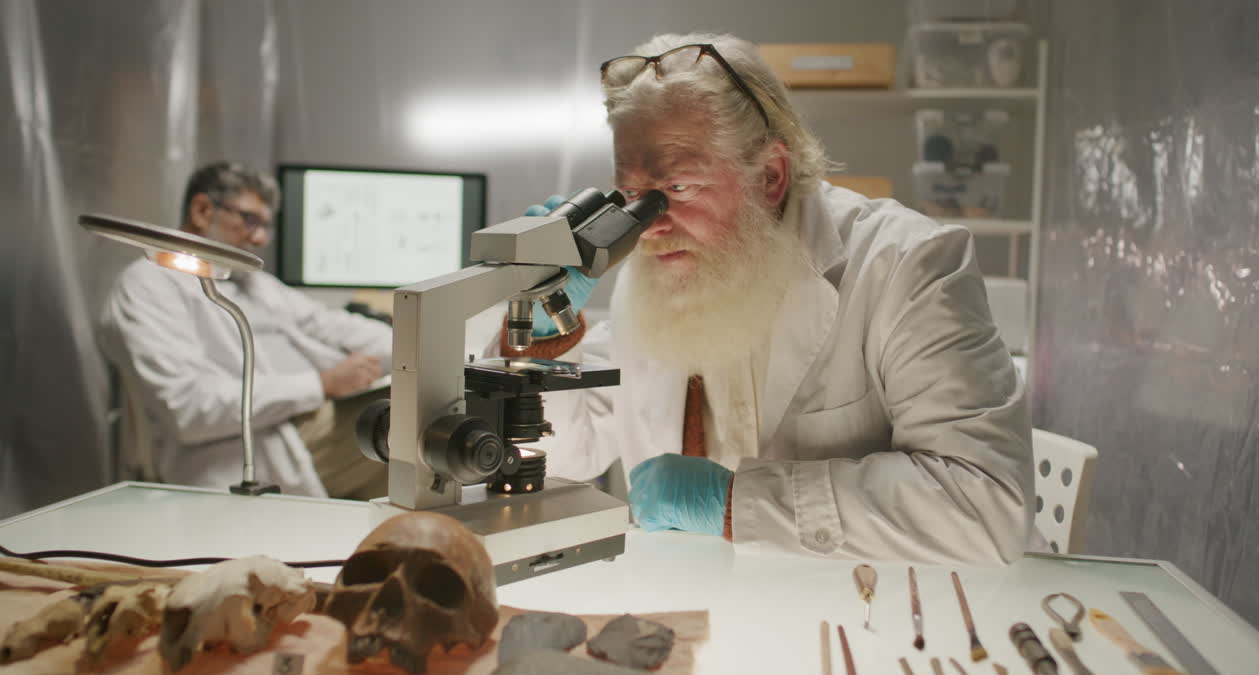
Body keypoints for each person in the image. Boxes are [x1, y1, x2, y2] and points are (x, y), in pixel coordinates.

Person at [511, 33, 1036, 565]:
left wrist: (736, 503)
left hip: (865, 612)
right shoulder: (654, 274)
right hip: (700, 606)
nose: (647, 229)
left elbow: (986, 504)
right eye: (630, 197)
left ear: (769, 177)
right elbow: (566, 456)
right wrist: (542, 341)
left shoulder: (906, 264)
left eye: (680, 189)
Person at [99, 162, 392, 498]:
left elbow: (328, 323)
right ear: (202, 209)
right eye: (250, 220)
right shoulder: (150, 284)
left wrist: (419, 344)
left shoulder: (252, 282)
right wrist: (322, 383)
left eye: (267, 226)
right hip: (255, 445)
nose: (261, 238)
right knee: (406, 424)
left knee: (423, 410)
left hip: (306, 420)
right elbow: (188, 407)